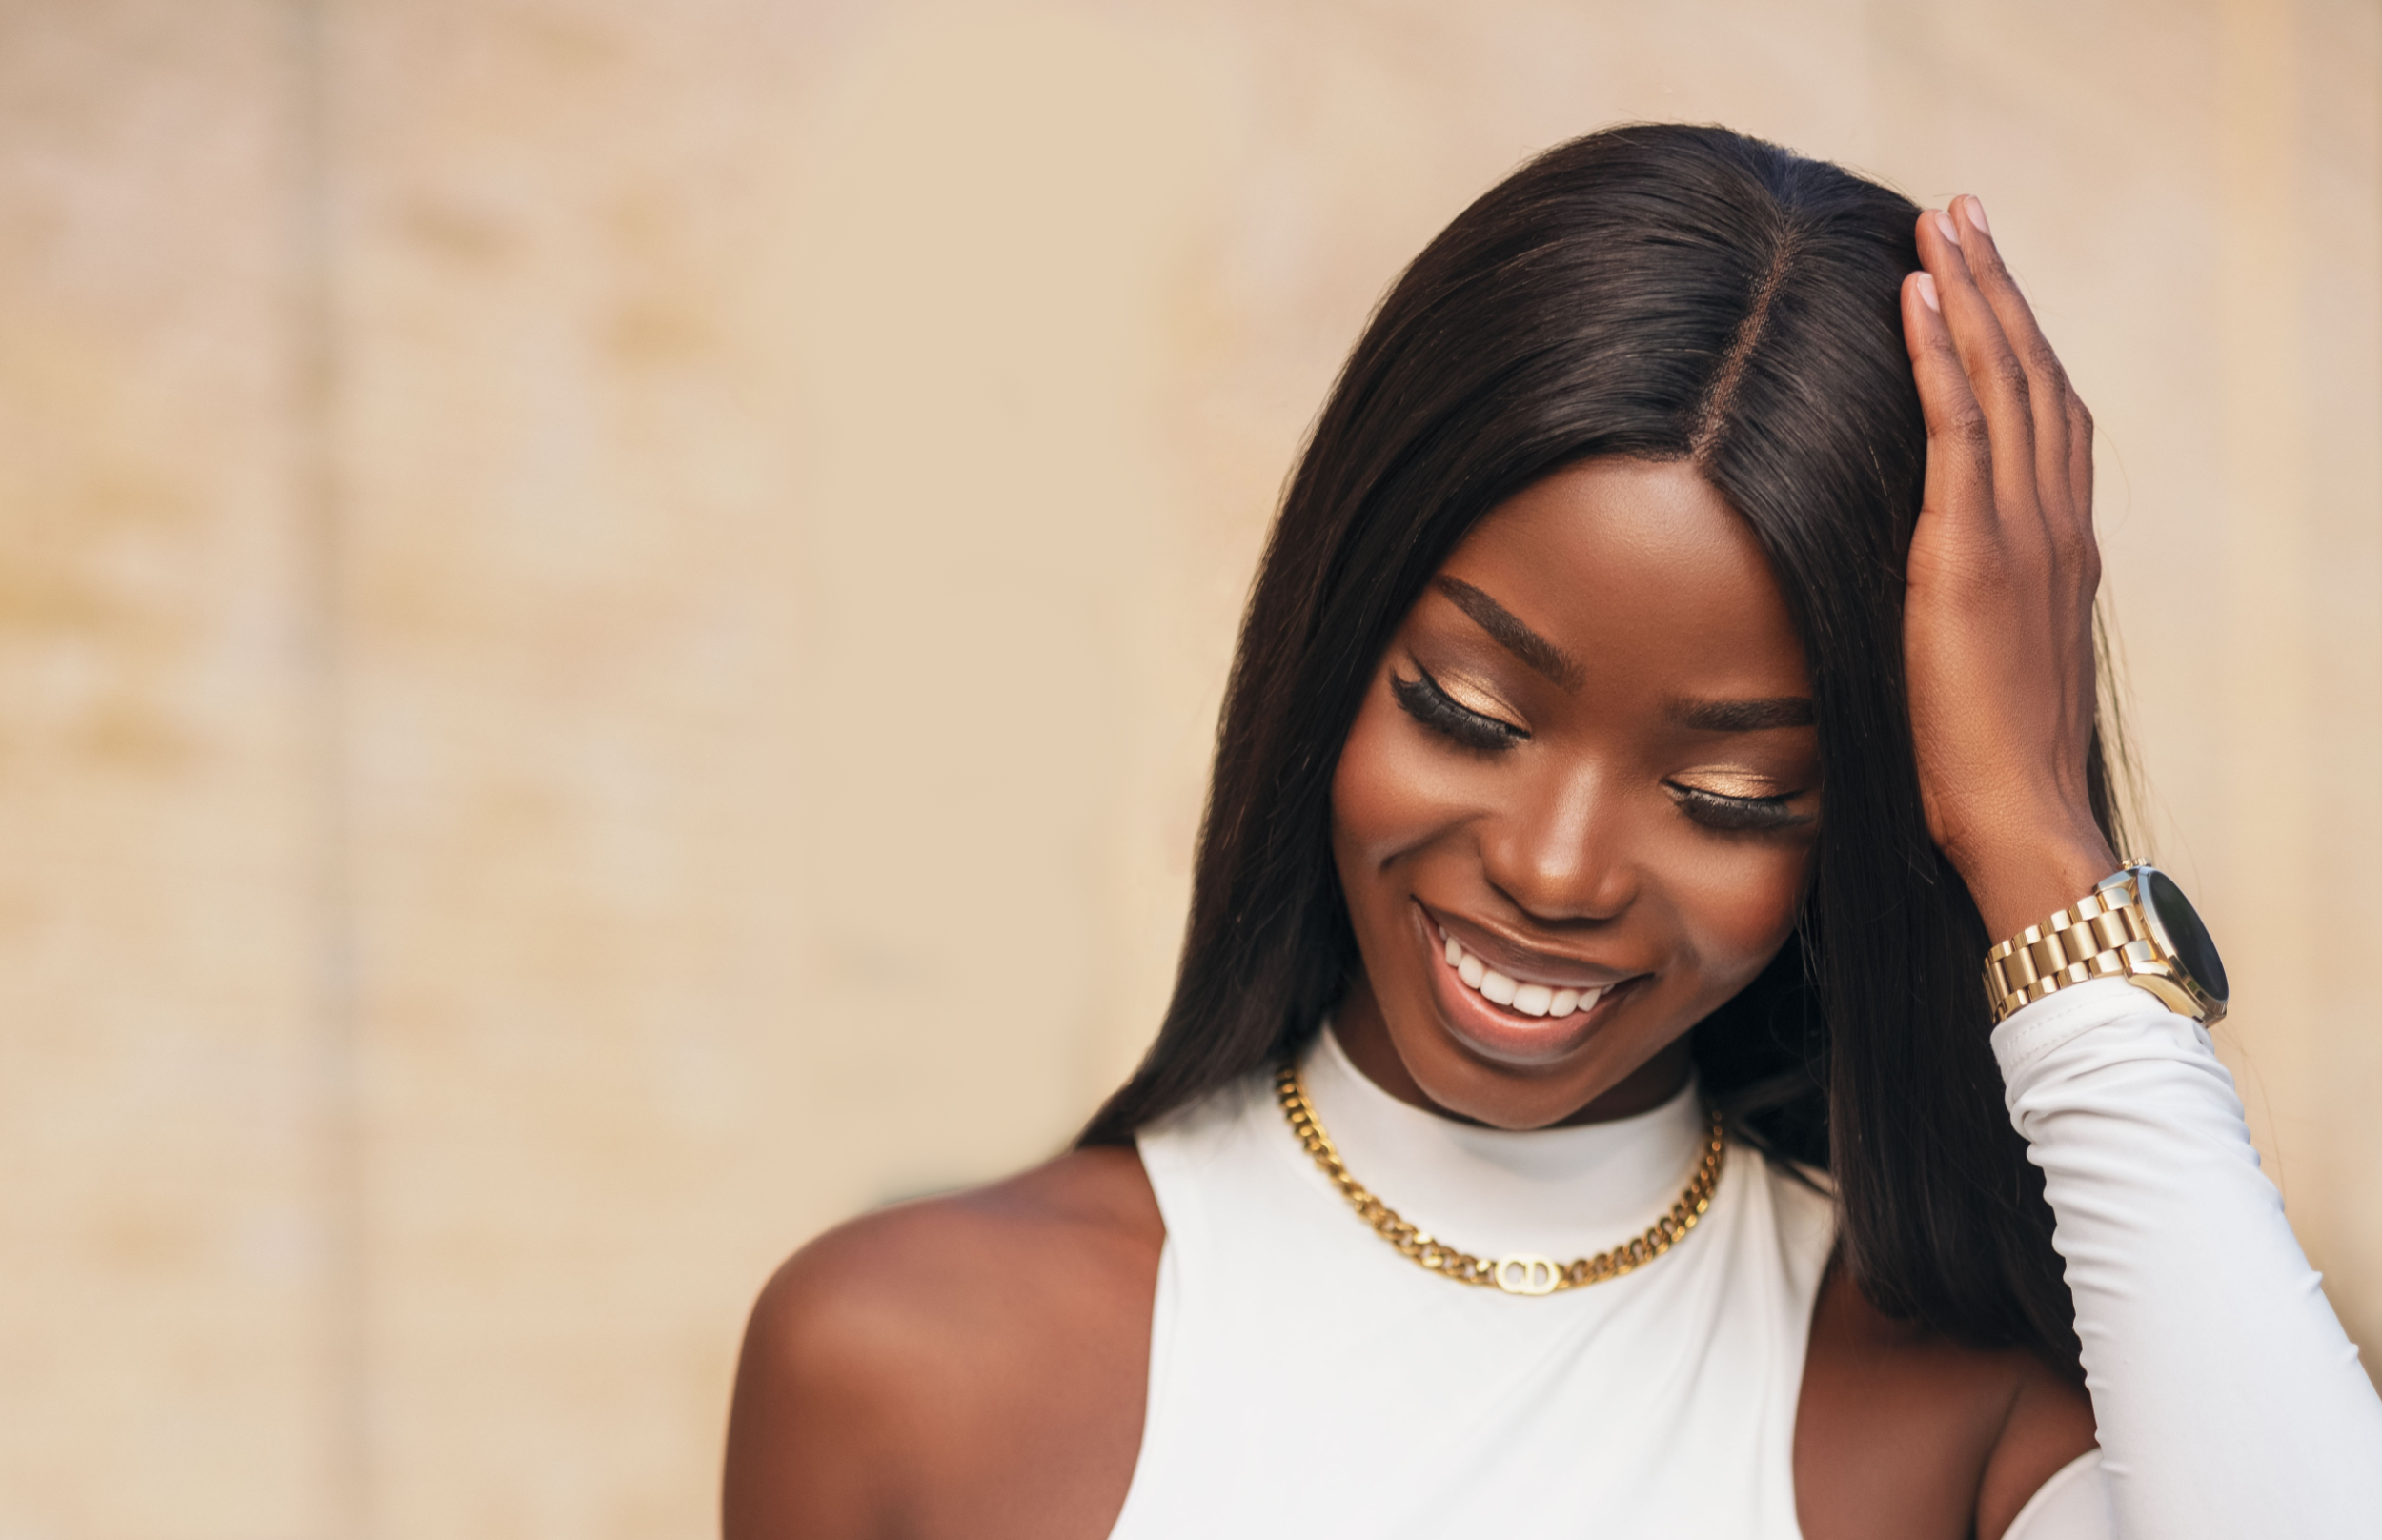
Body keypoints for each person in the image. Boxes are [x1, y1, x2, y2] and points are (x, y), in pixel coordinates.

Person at [721, 124, 2382, 1539]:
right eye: (1468, 713)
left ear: (1855, 835)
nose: (1556, 868)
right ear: (1332, 657)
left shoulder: (1959, 1433)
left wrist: (2031, 832)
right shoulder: (908, 1362)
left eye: (1734, 799)